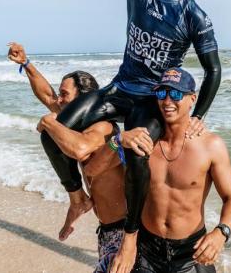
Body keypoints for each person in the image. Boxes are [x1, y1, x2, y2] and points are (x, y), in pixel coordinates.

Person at [44, 0, 222, 272]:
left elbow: (213, 71)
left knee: (139, 154)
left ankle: (129, 237)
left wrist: (199, 118)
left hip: (149, 101)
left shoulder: (195, 15)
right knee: (54, 133)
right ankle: (77, 197)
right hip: (119, 88)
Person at [8, 42, 148, 272]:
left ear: (84, 101)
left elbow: (80, 150)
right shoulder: (73, 125)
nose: (58, 101)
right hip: (107, 230)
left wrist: (46, 122)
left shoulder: (101, 127)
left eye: (65, 95)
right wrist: (26, 64)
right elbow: (47, 96)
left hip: (124, 232)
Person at [124, 67, 231, 273]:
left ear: (192, 98)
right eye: (162, 93)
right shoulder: (144, 141)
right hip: (146, 249)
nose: (167, 101)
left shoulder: (210, 146)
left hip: (191, 253)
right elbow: (102, 162)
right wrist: (118, 139)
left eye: (176, 94)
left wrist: (221, 233)